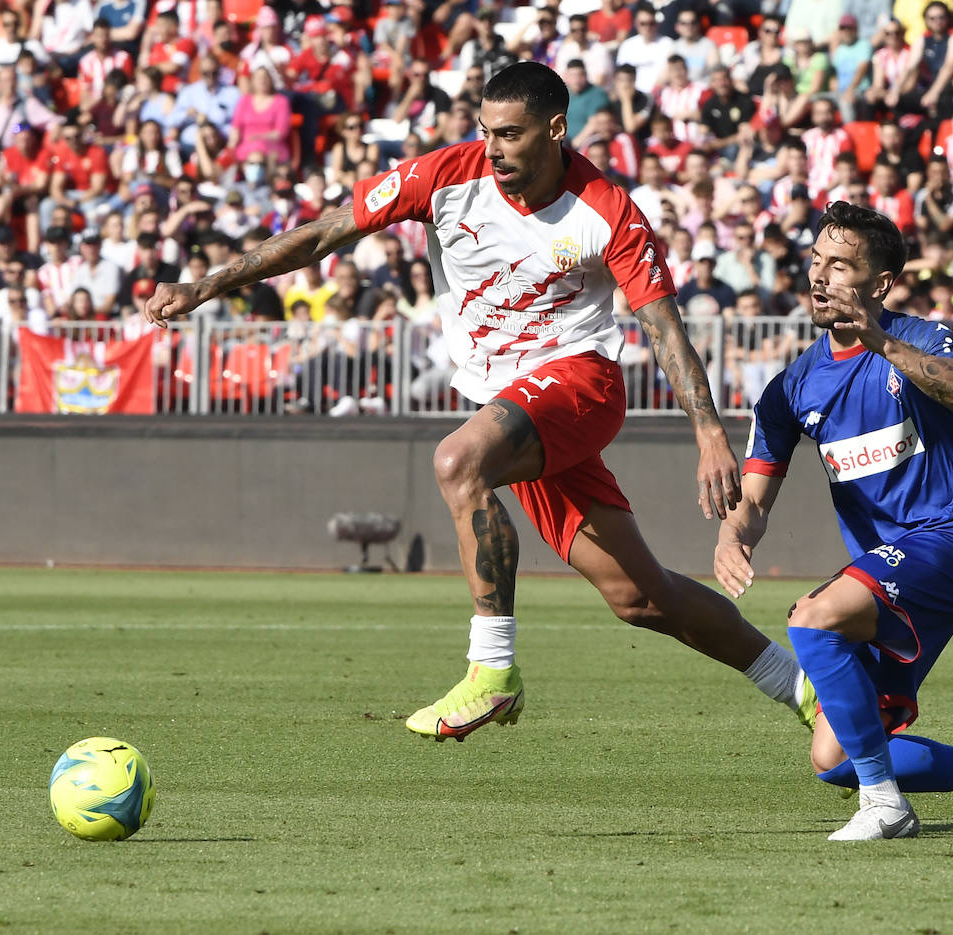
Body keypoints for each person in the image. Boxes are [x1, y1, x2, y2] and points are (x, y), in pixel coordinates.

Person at [143, 62, 810, 741]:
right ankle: (807, 686)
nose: (493, 149)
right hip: (516, 405)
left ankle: (492, 671)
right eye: (486, 131)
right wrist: (206, 284)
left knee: (458, 459)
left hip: (580, 384)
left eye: (511, 134)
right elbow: (325, 231)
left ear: (556, 130)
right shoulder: (444, 176)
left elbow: (663, 327)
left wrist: (709, 433)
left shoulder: (605, 209)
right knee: (640, 598)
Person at [714, 201, 953, 841]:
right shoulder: (790, 389)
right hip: (890, 572)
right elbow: (754, 501)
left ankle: (887, 808)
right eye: (817, 262)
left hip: (950, 542)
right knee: (834, 759)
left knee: (811, 617)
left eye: (840, 266)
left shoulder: (919, 339)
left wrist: (880, 341)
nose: (821, 277)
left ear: (880, 284)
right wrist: (733, 534)